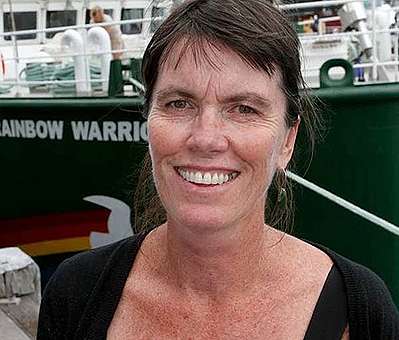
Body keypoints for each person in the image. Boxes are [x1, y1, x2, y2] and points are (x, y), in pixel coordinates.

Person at [38, 0, 399, 339]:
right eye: (179, 103)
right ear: (148, 122)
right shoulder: (76, 295)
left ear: (287, 141)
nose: (206, 138)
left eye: (244, 109)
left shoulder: (361, 311)